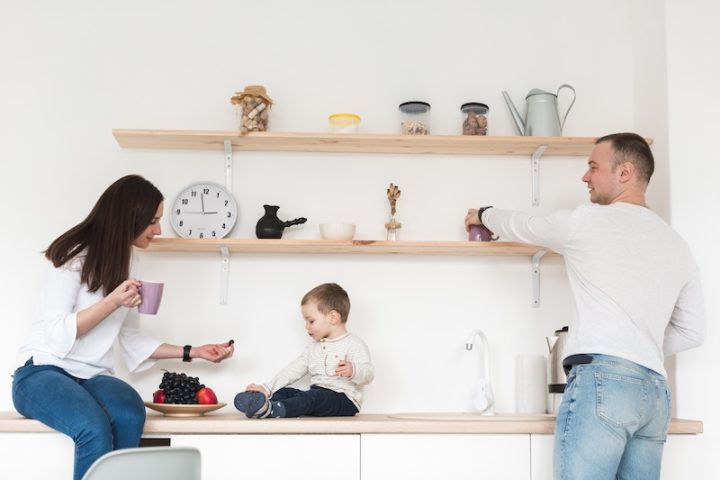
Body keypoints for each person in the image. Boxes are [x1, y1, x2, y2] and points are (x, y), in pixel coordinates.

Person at [464, 133, 705, 480]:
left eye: (593, 166)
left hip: (603, 384)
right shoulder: (678, 245)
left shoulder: (587, 222)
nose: (584, 177)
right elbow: (695, 330)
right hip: (654, 393)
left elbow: (525, 225)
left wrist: (484, 214)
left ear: (624, 172)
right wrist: (638, 345)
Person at [11, 175, 234, 480]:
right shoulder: (73, 256)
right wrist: (113, 301)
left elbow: (132, 339)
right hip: (42, 372)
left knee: (129, 413)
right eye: (153, 220)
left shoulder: (129, 263)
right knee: (92, 427)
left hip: (92, 377)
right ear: (130, 217)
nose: (158, 229)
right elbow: (56, 332)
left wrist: (194, 352)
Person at [234, 283, 373, 418]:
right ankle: (263, 406)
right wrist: (267, 388)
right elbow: (292, 370)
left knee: (313, 397)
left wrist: (354, 370)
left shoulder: (354, 344)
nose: (306, 327)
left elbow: (369, 374)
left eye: (311, 321)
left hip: (344, 400)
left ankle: (274, 410)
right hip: (317, 396)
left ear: (332, 317)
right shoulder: (313, 348)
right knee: (286, 392)